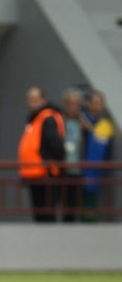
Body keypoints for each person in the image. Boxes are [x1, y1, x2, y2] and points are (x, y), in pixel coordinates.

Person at [17, 87, 65, 222]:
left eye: (35, 100)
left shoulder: (47, 118)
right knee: (40, 215)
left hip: (45, 174)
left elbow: (55, 146)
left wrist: (55, 167)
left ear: (43, 100)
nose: (31, 103)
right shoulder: (36, 118)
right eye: (29, 100)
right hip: (35, 174)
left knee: (46, 216)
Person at [81, 91, 114, 221]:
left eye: (99, 103)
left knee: (91, 207)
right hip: (78, 172)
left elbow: (109, 152)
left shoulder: (106, 126)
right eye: (94, 102)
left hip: (96, 173)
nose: (96, 106)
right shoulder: (81, 121)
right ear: (89, 104)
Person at [61, 88, 84, 222]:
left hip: (77, 169)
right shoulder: (60, 121)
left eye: (76, 104)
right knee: (63, 204)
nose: (73, 107)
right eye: (70, 103)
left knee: (74, 204)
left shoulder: (82, 123)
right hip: (62, 169)